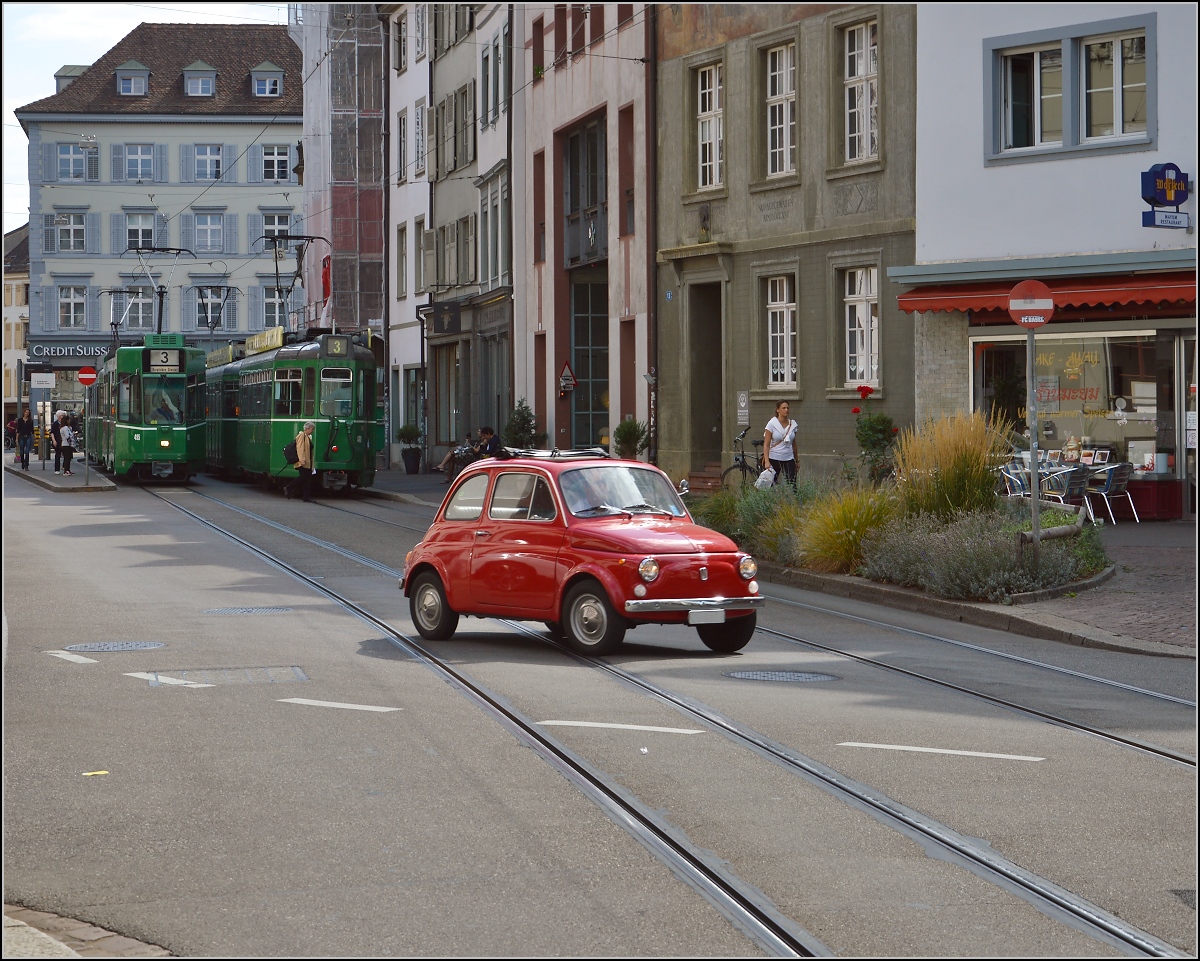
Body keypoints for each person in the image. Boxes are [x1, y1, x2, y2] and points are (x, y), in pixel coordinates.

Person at [762, 400, 798, 487]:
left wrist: (797, 460)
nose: (786, 410)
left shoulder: (792, 424)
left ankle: (791, 500)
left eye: (787, 408)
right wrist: (767, 461)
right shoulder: (772, 424)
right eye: (783, 408)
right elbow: (766, 444)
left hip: (788, 458)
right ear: (778, 410)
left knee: (792, 485)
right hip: (774, 458)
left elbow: (794, 444)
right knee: (770, 485)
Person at [285, 421, 316, 502]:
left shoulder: (308, 437)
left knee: (307, 479)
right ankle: (289, 487)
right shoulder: (301, 435)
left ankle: (306, 497)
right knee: (304, 477)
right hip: (303, 462)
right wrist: (301, 460)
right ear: (307, 429)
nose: (313, 431)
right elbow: (300, 448)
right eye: (312, 429)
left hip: (308, 462)